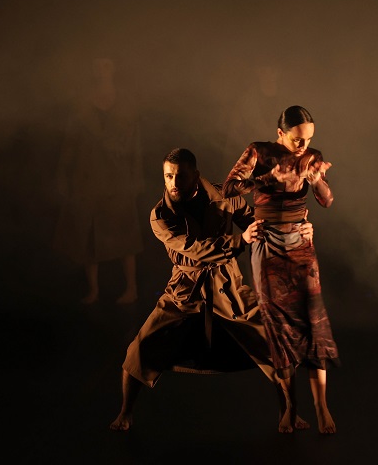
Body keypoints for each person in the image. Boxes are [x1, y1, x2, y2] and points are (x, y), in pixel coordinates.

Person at [109, 148, 313, 433]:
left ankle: (289, 411)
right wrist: (241, 241)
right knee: (139, 349)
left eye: (181, 176)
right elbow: (196, 250)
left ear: (195, 175)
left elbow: (256, 222)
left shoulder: (224, 196)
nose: (174, 183)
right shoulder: (161, 215)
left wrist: (290, 227)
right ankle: (125, 413)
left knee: (275, 340)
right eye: (168, 176)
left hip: (229, 287)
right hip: (185, 290)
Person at [222, 105, 340, 434]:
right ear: (280, 133)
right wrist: (268, 178)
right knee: (278, 325)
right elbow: (228, 189)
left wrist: (315, 181)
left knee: (312, 320)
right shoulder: (258, 152)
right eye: (297, 139)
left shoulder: (311, 157)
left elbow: (327, 201)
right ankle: (290, 406)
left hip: (300, 242)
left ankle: (321, 406)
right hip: (267, 242)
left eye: (308, 139)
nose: (303, 146)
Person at [52, 54, 143, 304]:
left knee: (125, 235)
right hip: (87, 177)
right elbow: (70, 143)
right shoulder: (82, 104)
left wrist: (136, 179)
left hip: (118, 179)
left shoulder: (126, 104)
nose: (102, 70)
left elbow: (136, 146)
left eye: (106, 65)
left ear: (113, 69)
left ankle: (131, 288)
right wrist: (63, 176)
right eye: (97, 66)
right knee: (89, 236)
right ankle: (93, 290)